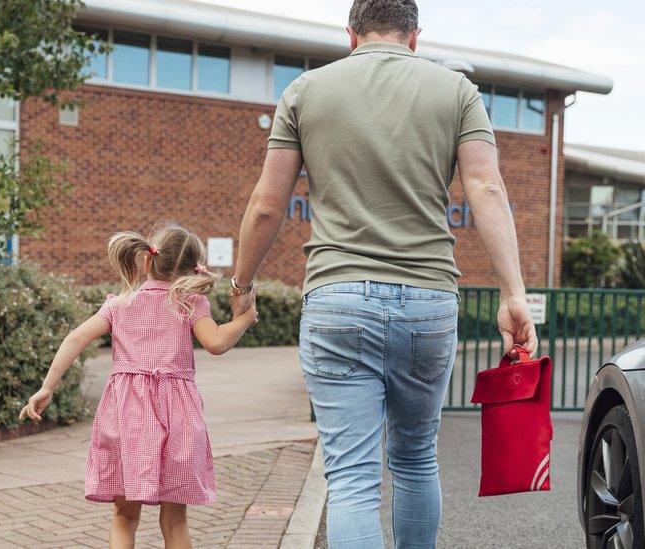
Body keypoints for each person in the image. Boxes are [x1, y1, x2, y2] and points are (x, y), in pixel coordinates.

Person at [229, 0, 538, 546]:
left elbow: (266, 205)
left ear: (351, 34)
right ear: (414, 36)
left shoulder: (304, 92)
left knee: (351, 478)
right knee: (417, 458)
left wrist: (242, 285)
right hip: (427, 301)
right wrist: (514, 293)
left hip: (336, 298)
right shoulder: (457, 91)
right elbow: (487, 188)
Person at [20, 223, 258, 549]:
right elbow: (215, 343)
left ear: (147, 261)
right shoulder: (190, 303)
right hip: (178, 416)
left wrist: (47, 387)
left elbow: (76, 337)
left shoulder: (119, 305)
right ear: (193, 269)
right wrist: (244, 319)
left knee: (124, 516)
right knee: (175, 520)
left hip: (125, 415)